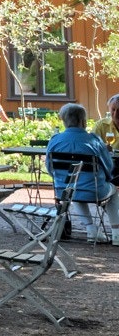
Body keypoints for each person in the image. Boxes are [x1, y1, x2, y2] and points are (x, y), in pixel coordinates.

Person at [46, 102, 119, 244]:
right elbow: (109, 166)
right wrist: (107, 179)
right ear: (83, 121)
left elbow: (50, 168)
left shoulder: (55, 140)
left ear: (65, 121)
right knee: (113, 191)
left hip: (63, 191)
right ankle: (117, 234)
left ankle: (91, 230)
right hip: (95, 190)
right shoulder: (94, 140)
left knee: (73, 188)